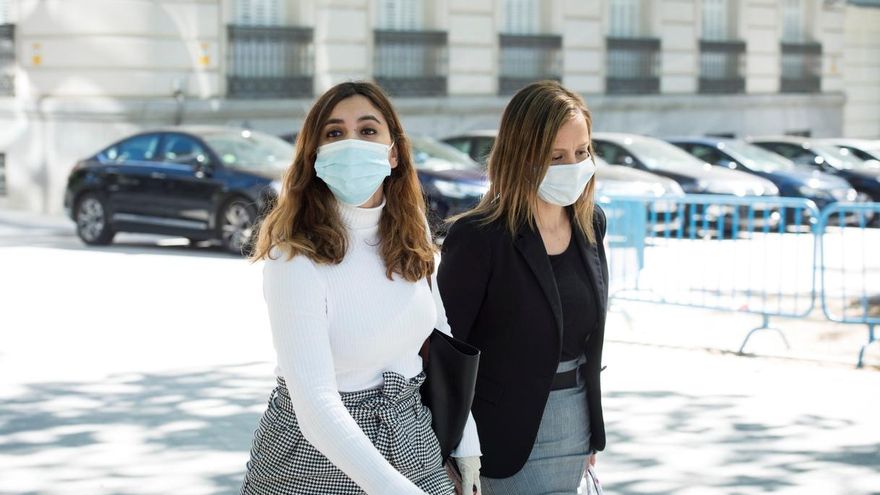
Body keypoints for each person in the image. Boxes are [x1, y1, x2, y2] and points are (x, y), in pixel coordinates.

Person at [240, 81, 482, 495]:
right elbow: (315, 404)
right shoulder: (293, 257)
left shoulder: (410, 232)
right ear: (315, 157)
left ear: (393, 152)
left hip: (410, 430)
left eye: (368, 130)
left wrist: (466, 439)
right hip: (313, 457)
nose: (351, 143)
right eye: (334, 133)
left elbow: (438, 332)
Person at [437, 80, 609, 494]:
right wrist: (447, 452)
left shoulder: (591, 224)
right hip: (501, 438)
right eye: (556, 156)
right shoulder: (478, 237)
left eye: (582, 153)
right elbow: (443, 351)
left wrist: (589, 425)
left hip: (577, 424)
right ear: (521, 157)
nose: (573, 166)